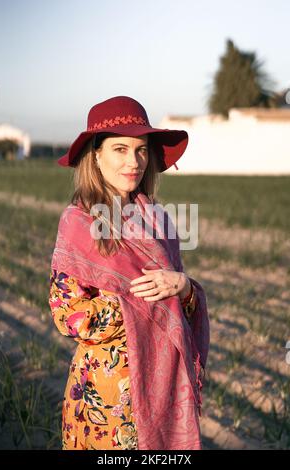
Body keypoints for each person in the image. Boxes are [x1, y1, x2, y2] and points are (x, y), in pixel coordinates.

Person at [48, 95, 210, 450]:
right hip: (107, 400)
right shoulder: (78, 223)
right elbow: (68, 317)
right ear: (96, 154)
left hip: (165, 385)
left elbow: (179, 307)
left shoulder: (160, 221)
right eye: (120, 149)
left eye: (140, 150)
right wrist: (133, 301)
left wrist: (183, 288)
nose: (133, 161)